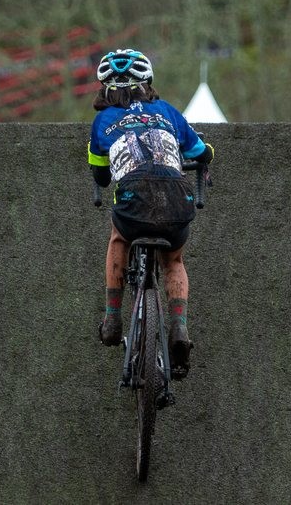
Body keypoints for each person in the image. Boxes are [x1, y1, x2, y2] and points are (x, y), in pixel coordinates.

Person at [88, 48, 213, 378]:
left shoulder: (102, 120)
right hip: (177, 196)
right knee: (174, 260)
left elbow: (100, 175)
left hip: (133, 200)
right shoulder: (167, 111)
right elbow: (200, 152)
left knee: (119, 238)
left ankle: (113, 318)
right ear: (148, 82)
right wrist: (208, 153)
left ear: (104, 89)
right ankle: (180, 327)